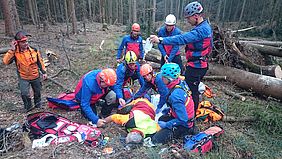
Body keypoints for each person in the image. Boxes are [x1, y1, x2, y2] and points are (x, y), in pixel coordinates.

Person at [150, 1, 213, 112]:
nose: (188, 21)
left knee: (191, 91)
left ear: (196, 16)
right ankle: (187, 110)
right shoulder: (202, 27)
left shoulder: (202, 30)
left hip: (197, 66)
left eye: (189, 18)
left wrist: (161, 40)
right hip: (195, 64)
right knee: (189, 88)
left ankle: (190, 115)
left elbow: (181, 39)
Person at [3, 31, 47, 112]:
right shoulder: (15, 52)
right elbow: (6, 62)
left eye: (26, 41)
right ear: (18, 43)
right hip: (23, 77)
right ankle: (28, 107)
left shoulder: (34, 50)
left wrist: (44, 72)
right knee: (24, 93)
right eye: (23, 42)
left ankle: (38, 105)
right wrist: (12, 49)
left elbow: (40, 62)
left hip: (35, 75)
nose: (26, 43)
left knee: (37, 91)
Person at [151, 63, 195, 144]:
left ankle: (182, 133)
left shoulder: (175, 96)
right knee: (161, 119)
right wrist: (170, 109)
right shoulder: (180, 82)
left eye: (163, 77)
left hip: (185, 124)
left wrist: (167, 124)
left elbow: (183, 119)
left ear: (170, 79)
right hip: (182, 114)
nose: (161, 78)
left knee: (155, 140)